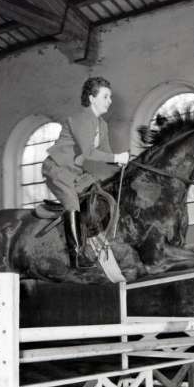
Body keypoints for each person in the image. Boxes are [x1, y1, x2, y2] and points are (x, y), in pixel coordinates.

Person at [42, 76, 129, 269]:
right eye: (105, 96)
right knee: (72, 202)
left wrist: (124, 163)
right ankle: (76, 255)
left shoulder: (102, 125)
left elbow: (106, 154)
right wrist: (117, 157)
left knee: (98, 192)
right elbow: (88, 153)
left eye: (110, 97)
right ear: (92, 98)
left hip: (75, 172)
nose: (110, 101)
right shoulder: (80, 119)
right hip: (56, 168)